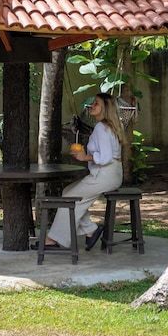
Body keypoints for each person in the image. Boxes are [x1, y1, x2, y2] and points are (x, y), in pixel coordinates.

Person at [45, 92, 126, 249]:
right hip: (112, 173)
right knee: (68, 192)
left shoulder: (102, 127)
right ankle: (91, 230)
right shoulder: (108, 127)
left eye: (96, 103)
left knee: (69, 197)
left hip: (105, 174)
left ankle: (54, 239)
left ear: (105, 108)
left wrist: (85, 157)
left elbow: (106, 157)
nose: (92, 106)